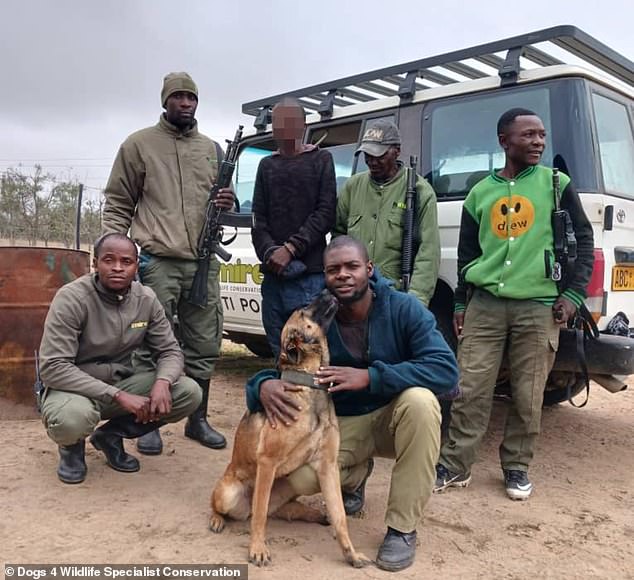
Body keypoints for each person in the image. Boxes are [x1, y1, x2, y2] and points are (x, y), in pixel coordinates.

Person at [245, 236, 459, 571]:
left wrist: (371, 377)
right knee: (296, 481)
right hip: (345, 425)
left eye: (352, 267)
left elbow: (446, 371)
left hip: (394, 417)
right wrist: (261, 386)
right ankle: (354, 476)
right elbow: (289, 366)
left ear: (369, 270)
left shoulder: (404, 309)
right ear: (325, 277)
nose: (343, 275)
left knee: (422, 403)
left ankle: (402, 529)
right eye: (333, 270)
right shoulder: (320, 319)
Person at [434, 108, 594, 500]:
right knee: (470, 388)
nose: (538, 141)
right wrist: (459, 304)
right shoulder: (479, 193)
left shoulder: (556, 184)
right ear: (505, 141)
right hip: (485, 305)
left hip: (538, 308)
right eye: (528, 135)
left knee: (528, 393)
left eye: (541, 135)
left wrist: (572, 296)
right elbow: (469, 256)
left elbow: (585, 241)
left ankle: (517, 467)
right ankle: (455, 466)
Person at [102, 72, 233, 455]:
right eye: (177, 97)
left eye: (191, 97)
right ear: (165, 101)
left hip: (203, 261)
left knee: (204, 341)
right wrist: (115, 255)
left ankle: (197, 419)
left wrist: (229, 203)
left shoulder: (211, 148)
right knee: (147, 343)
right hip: (157, 261)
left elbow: (222, 204)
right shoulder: (139, 144)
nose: (185, 103)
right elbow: (118, 203)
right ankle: (147, 422)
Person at [39, 233, 201, 484]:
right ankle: (71, 447)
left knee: (188, 391)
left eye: (126, 261)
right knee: (72, 419)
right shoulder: (71, 298)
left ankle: (110, 435)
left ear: (136, 266)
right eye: (108, 260)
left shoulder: (146, 299)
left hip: (119, 381)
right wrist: (117, 396)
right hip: (72, 387)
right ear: (95, 263)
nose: (117, 267)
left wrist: (163, 382)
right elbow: (53, 367)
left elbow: (169, 351)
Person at [251, 97, 337, 359]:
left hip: (308, 278)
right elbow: (258, 219)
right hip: (273, 278)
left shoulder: (321, 159)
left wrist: (290, 249)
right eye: (278, 122)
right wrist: (270, 253)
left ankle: (308, 401)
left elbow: (325, 213)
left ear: (303, 124)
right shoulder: (267, 165)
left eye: (291, 121)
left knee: (308, 355)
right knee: (281, 355)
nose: (284, 128)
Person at [333, 119, 440, 306]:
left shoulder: (420, 190)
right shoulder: (352, 187)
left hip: (395, 297)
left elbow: (428, 252)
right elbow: (338, 236)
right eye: (367, 155)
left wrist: (415, 302)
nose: (372, 161)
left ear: (397, 150)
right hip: (355, 297)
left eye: (379, 155)